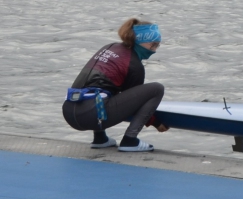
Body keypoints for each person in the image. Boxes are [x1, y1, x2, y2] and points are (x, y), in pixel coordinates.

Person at [63, 18, 169, 152]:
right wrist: (156, 122)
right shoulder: (134, 65)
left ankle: (100, 138)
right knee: (157, 89)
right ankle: (130, 140)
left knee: (100, 90)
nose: (154, 50)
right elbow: (134, 105)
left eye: (157, 46)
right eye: (153, 45)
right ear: (139, 41)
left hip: (69, 111)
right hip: (89, 117)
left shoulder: (110, 47)